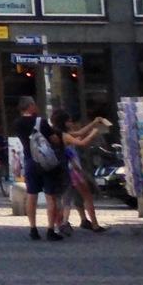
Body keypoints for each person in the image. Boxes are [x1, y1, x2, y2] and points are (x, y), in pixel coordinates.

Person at [15, 95, 67, 240]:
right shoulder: (41, 122)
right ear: (30, 106)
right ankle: (51, 229)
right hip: (46, 162)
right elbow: (54, 140)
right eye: (34, 104)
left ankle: (33, 228)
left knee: (32, 195)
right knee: (50, 196)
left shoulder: (17, 123)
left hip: (30, 160)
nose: (36, 106)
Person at [57, 109, 111, 233]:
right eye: (69, 121)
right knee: (87, 196)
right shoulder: (65, 135)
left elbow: (79, 133)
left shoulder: (59, 134)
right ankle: (95, 225)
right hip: (74, 169)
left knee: (67, 198)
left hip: (66, 170)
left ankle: (64, 223)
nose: (71, 123)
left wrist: (93, 123)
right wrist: (94, 132)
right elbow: (81, 142)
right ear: (64, 123)